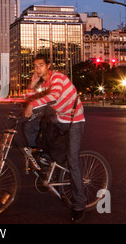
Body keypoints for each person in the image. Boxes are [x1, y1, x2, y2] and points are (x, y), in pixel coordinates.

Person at [23, 54, 87, 223]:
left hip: (75, 121)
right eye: (35, 66)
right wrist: (32, 84)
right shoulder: (44, 83)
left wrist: (32, 104)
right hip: (59, 119)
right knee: (31, 124)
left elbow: (54, 96)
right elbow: (29, 98)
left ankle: (79, 204)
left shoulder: (57, 78)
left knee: (73, 162)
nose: (38, 69)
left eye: (41, 65)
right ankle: (43, 158)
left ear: (48, 66)